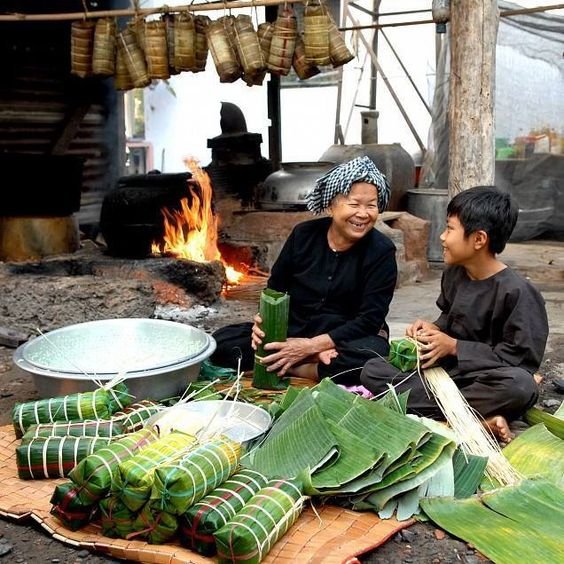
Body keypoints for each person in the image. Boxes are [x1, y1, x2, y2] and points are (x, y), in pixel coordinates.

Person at [360, 185, 549, 442]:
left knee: (520, 386)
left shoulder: (518, 293)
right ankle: (474, 419)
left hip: (487, 379)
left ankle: (452, 417)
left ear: (479, 239)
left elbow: (520, 362)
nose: (442, 237)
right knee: (372, 369)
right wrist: (432, 330)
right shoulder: (454, 273)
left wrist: (455, 347)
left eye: (449, 229)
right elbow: (449, 318)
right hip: (449, 377)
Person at [210, 156, 398, 384]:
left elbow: (369, 320)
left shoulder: (381, 251)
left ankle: (300, 368)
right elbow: (275, 290)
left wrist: (311, 346)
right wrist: (263, 323)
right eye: (354, 204)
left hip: (342, 339)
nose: (363, 213)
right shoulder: (303, 235)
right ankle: (309, 363)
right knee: (220, 344)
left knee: (370, 360)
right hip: (293, 329)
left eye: (371, 205)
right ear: (330, 205)